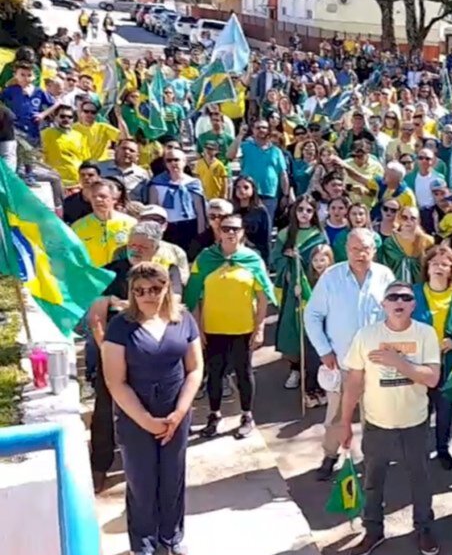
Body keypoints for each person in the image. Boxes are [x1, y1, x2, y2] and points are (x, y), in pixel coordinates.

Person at [100, 262, 203, 555]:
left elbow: (195, 368)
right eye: (140, 290)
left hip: (176, 413)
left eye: (155, 288)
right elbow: (114, 381)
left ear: (166, 289)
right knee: (141, 480)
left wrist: (180, 412)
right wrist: (146, 420)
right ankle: (142, 542)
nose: (148, 295)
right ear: (132, 293)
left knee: (173, 476)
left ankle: (171, 537)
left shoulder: (183, 320)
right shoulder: (120, 326)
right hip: (135, 417)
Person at [339, 280, 442, 555]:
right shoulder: (366, 335)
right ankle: (373, 531)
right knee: (373, 481)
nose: (399, 301)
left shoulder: (426, 334)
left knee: (420, 479)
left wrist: (397, 362)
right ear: (383, 305)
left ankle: (424, 527)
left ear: (413, 305)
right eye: (393, 297)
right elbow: (353, 383)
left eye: (406, 297)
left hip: (415, 422)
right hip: (377, 424)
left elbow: (432, 378)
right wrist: (345, 423)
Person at [86, 222, 184, 493]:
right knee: (105, 411)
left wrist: (123, 304)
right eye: (132, 245)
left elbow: (173, 307)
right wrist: (107, 351)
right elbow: (97, 317)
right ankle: (99, 466)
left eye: (143, 246)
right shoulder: (111, 271)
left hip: (154, 356)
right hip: (115, 353)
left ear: (156, 248)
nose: (136, 250)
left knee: (155, 411)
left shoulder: (167, 272)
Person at [305, 228, 395, 481]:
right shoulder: (331, 277)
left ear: (374, 250)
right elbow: (312, 315)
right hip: (341, 362)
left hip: (375, 364)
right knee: (335, 416)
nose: (360, 253)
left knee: (375, 416)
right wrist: (323, 350)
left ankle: (371, 460)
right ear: (346, 250)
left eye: (365, 248)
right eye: (355, 248)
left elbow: (396, 315)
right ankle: (329, 456)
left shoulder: (385, 276)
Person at [185, 214, 275, 440]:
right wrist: (197, 326)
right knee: (214, 374)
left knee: (244, 373)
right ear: (219, 231)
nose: (230, 232)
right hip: (213, 328)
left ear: (243, 232)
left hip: (243, 328)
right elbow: (194, 295)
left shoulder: (252, 259)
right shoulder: (205, 259)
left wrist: (260, 327)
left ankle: (247, 415)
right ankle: (214, 415)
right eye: (226, 228)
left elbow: (263, 296)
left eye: (235, 228)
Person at [272, 197, 328, 405]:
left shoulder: (318, 235)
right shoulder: (286, 234)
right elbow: (275, 260)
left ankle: (315, 377)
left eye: (309, 210)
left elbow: (325, 258)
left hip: (314, 288)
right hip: (292, 290)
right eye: (301, 209)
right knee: (293, 330)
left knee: (314, 331)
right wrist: (287, 268)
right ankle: (295, 369)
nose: (304, 213)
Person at [410, 246, 452, 470]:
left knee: (445, 409)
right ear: (427, 267)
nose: (439, 268)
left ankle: (442, 449)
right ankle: (416, 450)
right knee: (419, 409)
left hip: (447, 364)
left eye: (445, 264)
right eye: (434, 263)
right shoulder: (414, 294)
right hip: (419, 364)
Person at [72, 179, 138, 267]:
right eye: (93, 197)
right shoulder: (78, 227)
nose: (97, 200)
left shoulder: (131, 224)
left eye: (102, 196)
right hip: (94, 277)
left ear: (114, 199)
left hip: (123, 276)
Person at [379, 205, 434, 284]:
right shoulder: (390, 242)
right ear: (400, 219)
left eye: (413, 218)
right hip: (396, 286)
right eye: (405, 217)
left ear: (418, 221)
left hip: (420, 288)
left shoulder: (428, 241)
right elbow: (385, 267)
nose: (408, 221)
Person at [232, 175, 272, 262]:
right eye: (238, 187)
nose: (241, 190)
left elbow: (266, 239)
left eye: (246, 187)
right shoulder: (230, 210)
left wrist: (266, 262)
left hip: (253, 253)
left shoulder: (260, 211)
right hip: (232, 252)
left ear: (253, 189)